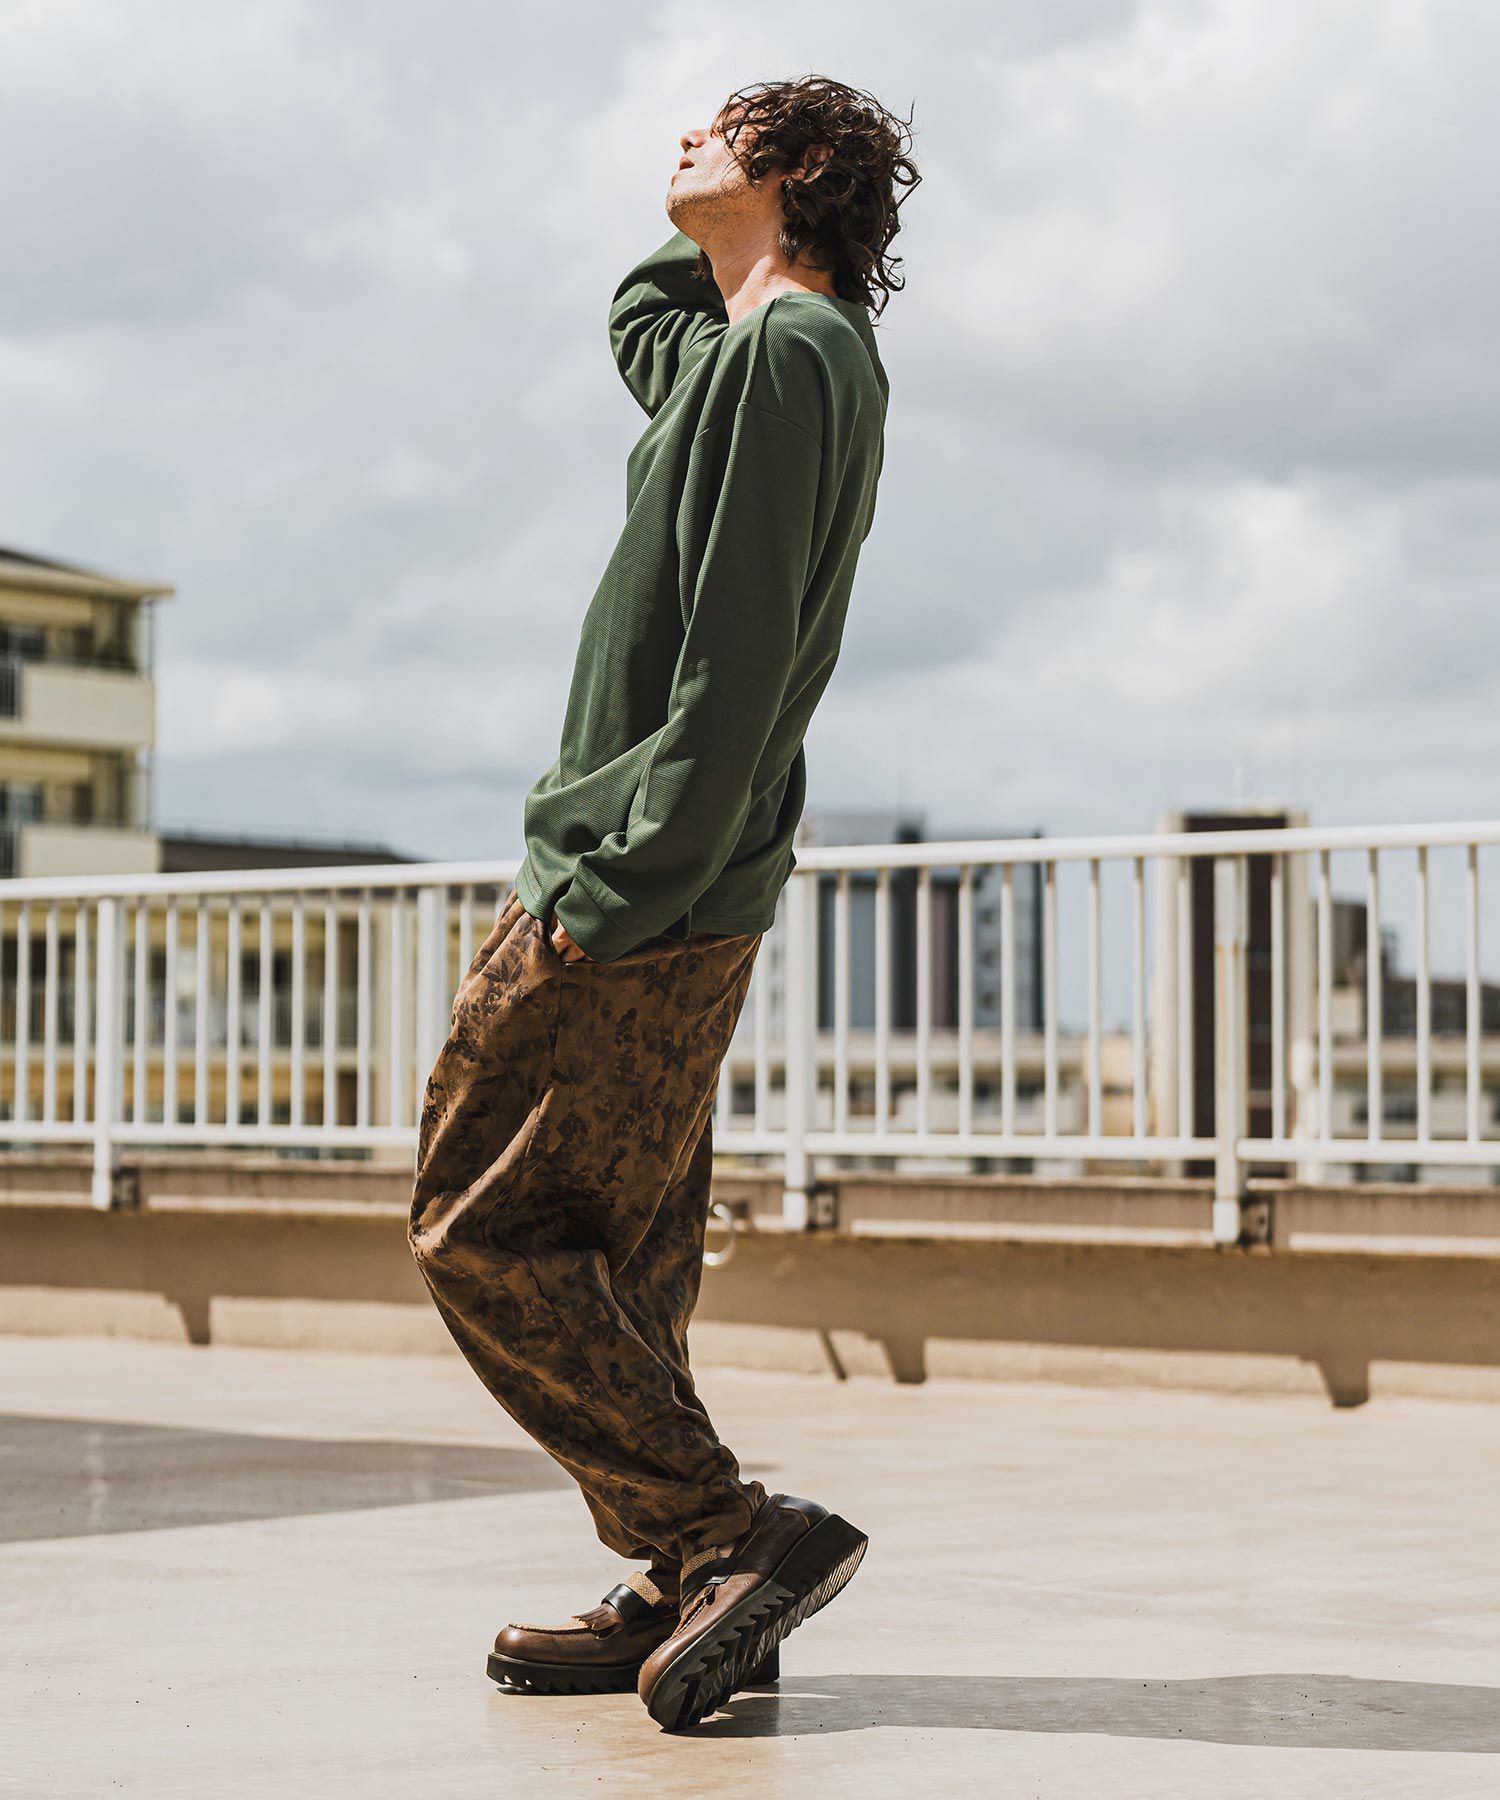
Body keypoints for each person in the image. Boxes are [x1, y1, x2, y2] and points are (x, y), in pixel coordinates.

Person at [408, 71, 919, 1732]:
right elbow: (645, 317)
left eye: (721, 130)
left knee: (478, 1222)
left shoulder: (790, 355)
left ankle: (730, 1532)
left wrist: (626, 874)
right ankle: (684, 1573)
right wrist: (722, 230)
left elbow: (738, 652)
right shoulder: (752, 350)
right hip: (673, 867)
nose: (679, 142)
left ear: (801, 168)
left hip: (642, 872)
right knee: (620, 1253)